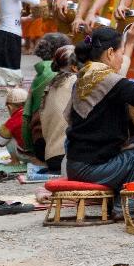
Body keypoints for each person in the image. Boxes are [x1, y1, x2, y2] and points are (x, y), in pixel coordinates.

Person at [65, 27, 134, 201]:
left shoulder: (83, 76)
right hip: (93, 169)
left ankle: (122, 200)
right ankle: (126, 206)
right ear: (110, 53)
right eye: (121, 53)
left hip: (76, 164)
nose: (122, 59)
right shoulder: (108, 79)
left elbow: (104, 120)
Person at [21, 32, 72, 169]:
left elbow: (26, 115)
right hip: (58, 150)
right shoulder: (63, 75)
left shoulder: (41, 74)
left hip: (40, 146)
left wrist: (28, 148)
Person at [30, 44, 81, 173]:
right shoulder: (76, 82)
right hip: (68, 156)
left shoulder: (51, 85)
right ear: (75, 67)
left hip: (50, 157)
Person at [0, 88, 35, 164]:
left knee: (8, 136)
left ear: (10, 107)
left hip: (26, 156)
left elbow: (0, 142)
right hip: (41, 155)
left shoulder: (12, 121)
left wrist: (3, 128)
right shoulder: (35, 113)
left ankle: (15, 161)